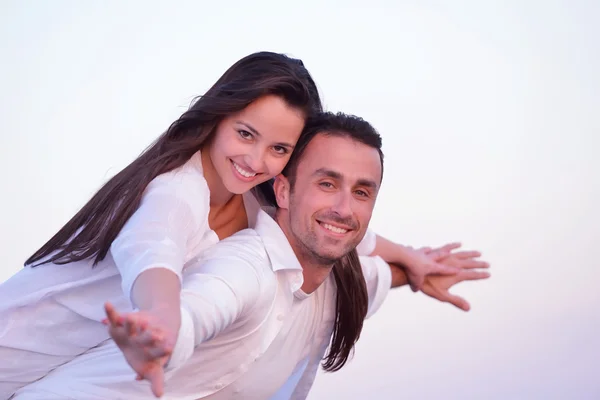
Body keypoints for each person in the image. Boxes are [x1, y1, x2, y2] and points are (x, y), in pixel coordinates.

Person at [0, 51, 473, 398]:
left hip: (56, 375)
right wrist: (164, 324)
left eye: (279, 149)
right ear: (218, 116)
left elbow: (343, 226)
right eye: (246, 134)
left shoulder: (255, 197)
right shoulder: (173, 192)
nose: (255, 160)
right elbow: (155, 257)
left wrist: (410, 259)